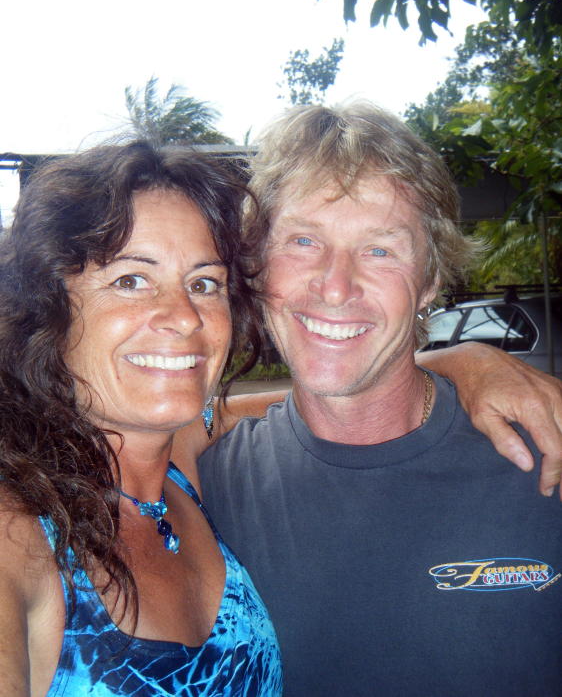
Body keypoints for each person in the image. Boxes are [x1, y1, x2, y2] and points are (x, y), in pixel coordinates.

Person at [193, 103, 562, 696]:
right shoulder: (204, 483)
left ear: (431, 280)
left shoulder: (545, 452)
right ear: (259, 267)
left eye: (381, 250)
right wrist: (465, 358)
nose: (336, 286)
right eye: (303, 240)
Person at [0, 142, 283, 696]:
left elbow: (249, 410)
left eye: (204, 283)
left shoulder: (177, 468)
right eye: (131, 280)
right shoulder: (18, 528)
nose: (184, 316)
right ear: (47, 309)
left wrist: (442, 370)